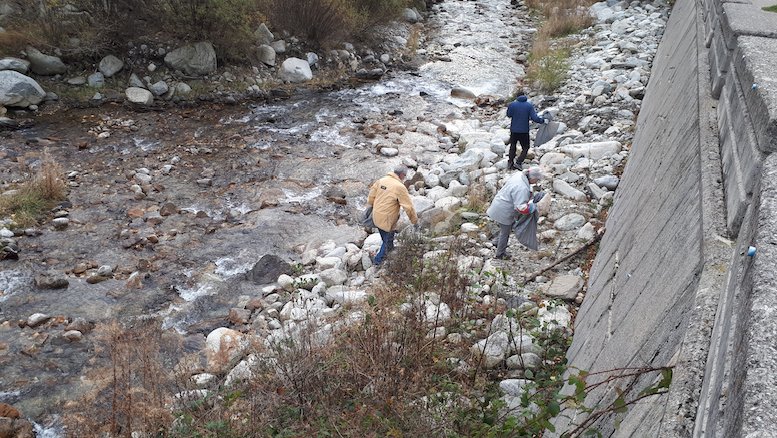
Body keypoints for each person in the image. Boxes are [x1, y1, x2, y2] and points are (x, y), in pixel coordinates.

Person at [486, 167, 544, 259]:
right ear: (532, 178)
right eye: (537, 180)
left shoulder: (519, 175)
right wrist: (533, 207)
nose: (536, 182)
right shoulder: (522, 188)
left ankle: (497, 242)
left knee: (504, 229)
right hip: (504, 210)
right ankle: (500, 254)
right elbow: (521, 208)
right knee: (505, 231)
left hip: (499, 202)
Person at [367, 165, 418, 265]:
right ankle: (378, 261)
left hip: (376, 215)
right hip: (387, 218)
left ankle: (390, 250)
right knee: (387, 239)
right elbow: (408, 207)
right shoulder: (399, 187)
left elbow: (371, 197)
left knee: (386, 236)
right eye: (405, 175)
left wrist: (373, 206)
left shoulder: (381, 181)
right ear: (402, 175)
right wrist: (414, 221)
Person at [506, 90, 545, 170]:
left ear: (517, 97)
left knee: (513, 146)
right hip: (524, 130)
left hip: (514, 130)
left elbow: (509, 115)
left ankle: (510, 163)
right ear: (524, 96)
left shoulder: (512, 104)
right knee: (525, 147)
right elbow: (534, 118)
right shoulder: (529, 105)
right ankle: (519, 162)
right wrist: (542, 120)